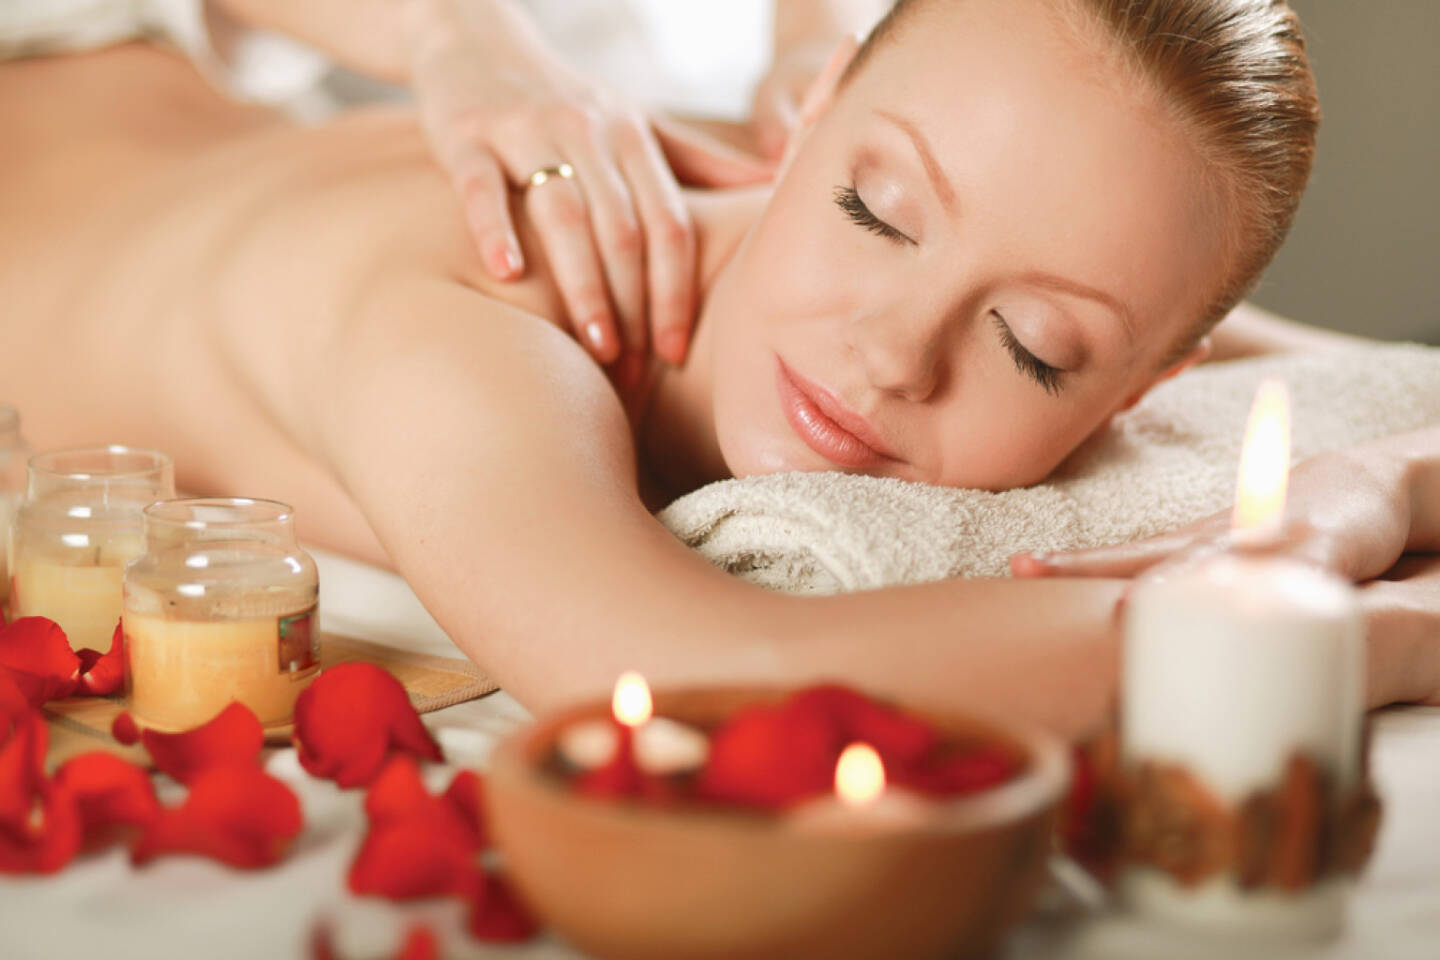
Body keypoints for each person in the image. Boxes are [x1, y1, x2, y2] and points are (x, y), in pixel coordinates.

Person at [2, 0, 1436, 738]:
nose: (890, 353)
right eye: (876, 209)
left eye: (1032, 346)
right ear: (803, 126)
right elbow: (684, 669)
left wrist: (1380, 480)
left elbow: (1389, 378)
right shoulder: (473, 328)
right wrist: (1386, 630)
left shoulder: (782, 216)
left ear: (1136, 389)